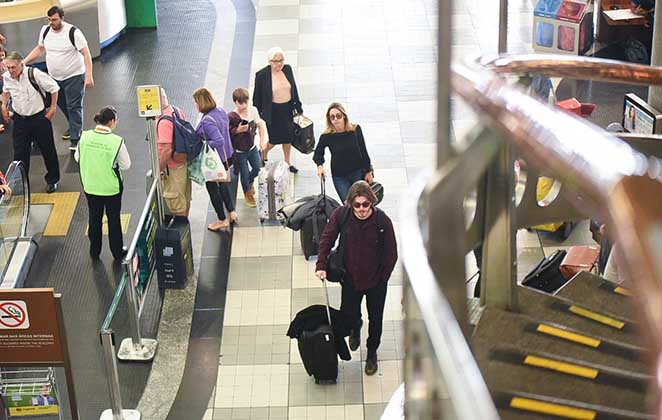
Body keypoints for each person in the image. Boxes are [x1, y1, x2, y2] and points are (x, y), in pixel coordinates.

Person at [315, 181, 398, 375]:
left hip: (376, 282)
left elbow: (391, 253)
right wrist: (320, 265)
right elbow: (327, 239)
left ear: (372, 203)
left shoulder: (382, 221)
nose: (361, 209)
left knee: (376, 319)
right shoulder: (341, 216)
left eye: (365, 204)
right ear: (351, 204)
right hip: (350, 279)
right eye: (357, 205)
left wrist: (383, 277)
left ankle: (371, 352)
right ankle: (355, 327)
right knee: (349, 315)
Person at [23, 6, 94, 151]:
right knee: (61, 103)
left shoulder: (73, 32)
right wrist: (24, 62)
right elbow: (40, 48)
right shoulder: (46, 30)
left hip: (74, 76)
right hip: (54, 78)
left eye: (54, 20)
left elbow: (86, 53)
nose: (51, 23)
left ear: (62, 18)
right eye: (49, 20)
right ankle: (75, 126)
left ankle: (76, 138)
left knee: (74, 106)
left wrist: (89, 75)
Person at [75, 106, 130, 260]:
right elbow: (126, 165)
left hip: (90, 186)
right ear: (111, 121)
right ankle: (117, 252)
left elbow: (77, 158)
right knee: (113, 219)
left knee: (94, 217)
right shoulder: (116, 141)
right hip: (111, 188)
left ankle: (94, 250)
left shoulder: (84, 136)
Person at [1, 51, 60, 193]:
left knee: (48, 150)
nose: (10, 71)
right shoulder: (7, 77)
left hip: (39, 118)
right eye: (8, 67)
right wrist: (3, 105)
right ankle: (21, 182)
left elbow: (54, 88)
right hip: (20, 120)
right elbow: (6, 91)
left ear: (22, 65)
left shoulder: (34, 74)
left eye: (13, 67)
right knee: (20, 153)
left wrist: (52, 109)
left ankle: (52, 180)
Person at [253, 46, 303, 173]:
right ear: (270, 61)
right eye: (276, 61)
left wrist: (298, 106)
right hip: (272, 112)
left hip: (287, 110)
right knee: (273, 139)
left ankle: (288, 161)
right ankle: (263, 154)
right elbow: (256, 98)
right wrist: (257, 117)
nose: (279, 63)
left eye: (281, 60)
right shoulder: (262, 75)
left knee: (288, 138)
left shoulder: (287, 69)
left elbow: (294, 88)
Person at [193, 87, 237, 231]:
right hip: (227, 156)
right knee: (223, 185)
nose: (195, 105)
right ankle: (231, 212)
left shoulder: (207, 121)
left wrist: (205, 143)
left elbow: (218, 140)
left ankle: (222, 219)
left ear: (200, 102)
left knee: (213, 189)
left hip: (215, 161)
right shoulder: (220, 111)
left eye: (196, 102)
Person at [313, 103, 374, 202]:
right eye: (332, 117)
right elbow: (318, 153)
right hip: (339, 176)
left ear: (344, 116)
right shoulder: (327, 136)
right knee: (348, 205)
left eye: (338, 116)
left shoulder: (355, 130)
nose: (336, 119)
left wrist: (369, 171)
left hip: (357, 172)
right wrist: (320, 166)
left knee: (361, 202)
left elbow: (363, 151)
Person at [228, 87, 268, 208]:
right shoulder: (231, 116)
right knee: (244, 173)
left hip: (252, 148)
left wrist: (262, 140)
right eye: (241, 103)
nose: (244, 105)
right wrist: (237, 130)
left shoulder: (252, 110)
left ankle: (250, 182)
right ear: (235, 102)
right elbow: (227, 133)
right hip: (240, 151)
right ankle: (247, 193)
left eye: (246, 102)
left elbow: (261, 124)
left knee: (257, 168)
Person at [157, 88, 191, 217]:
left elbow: (166, 150)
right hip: (183, 161)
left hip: (172, 167)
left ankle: (181, 229)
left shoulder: (164, 121)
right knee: (185, 197)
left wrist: (160, 169)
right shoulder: (176, 110)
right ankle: (185, 222)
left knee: (175, 201)